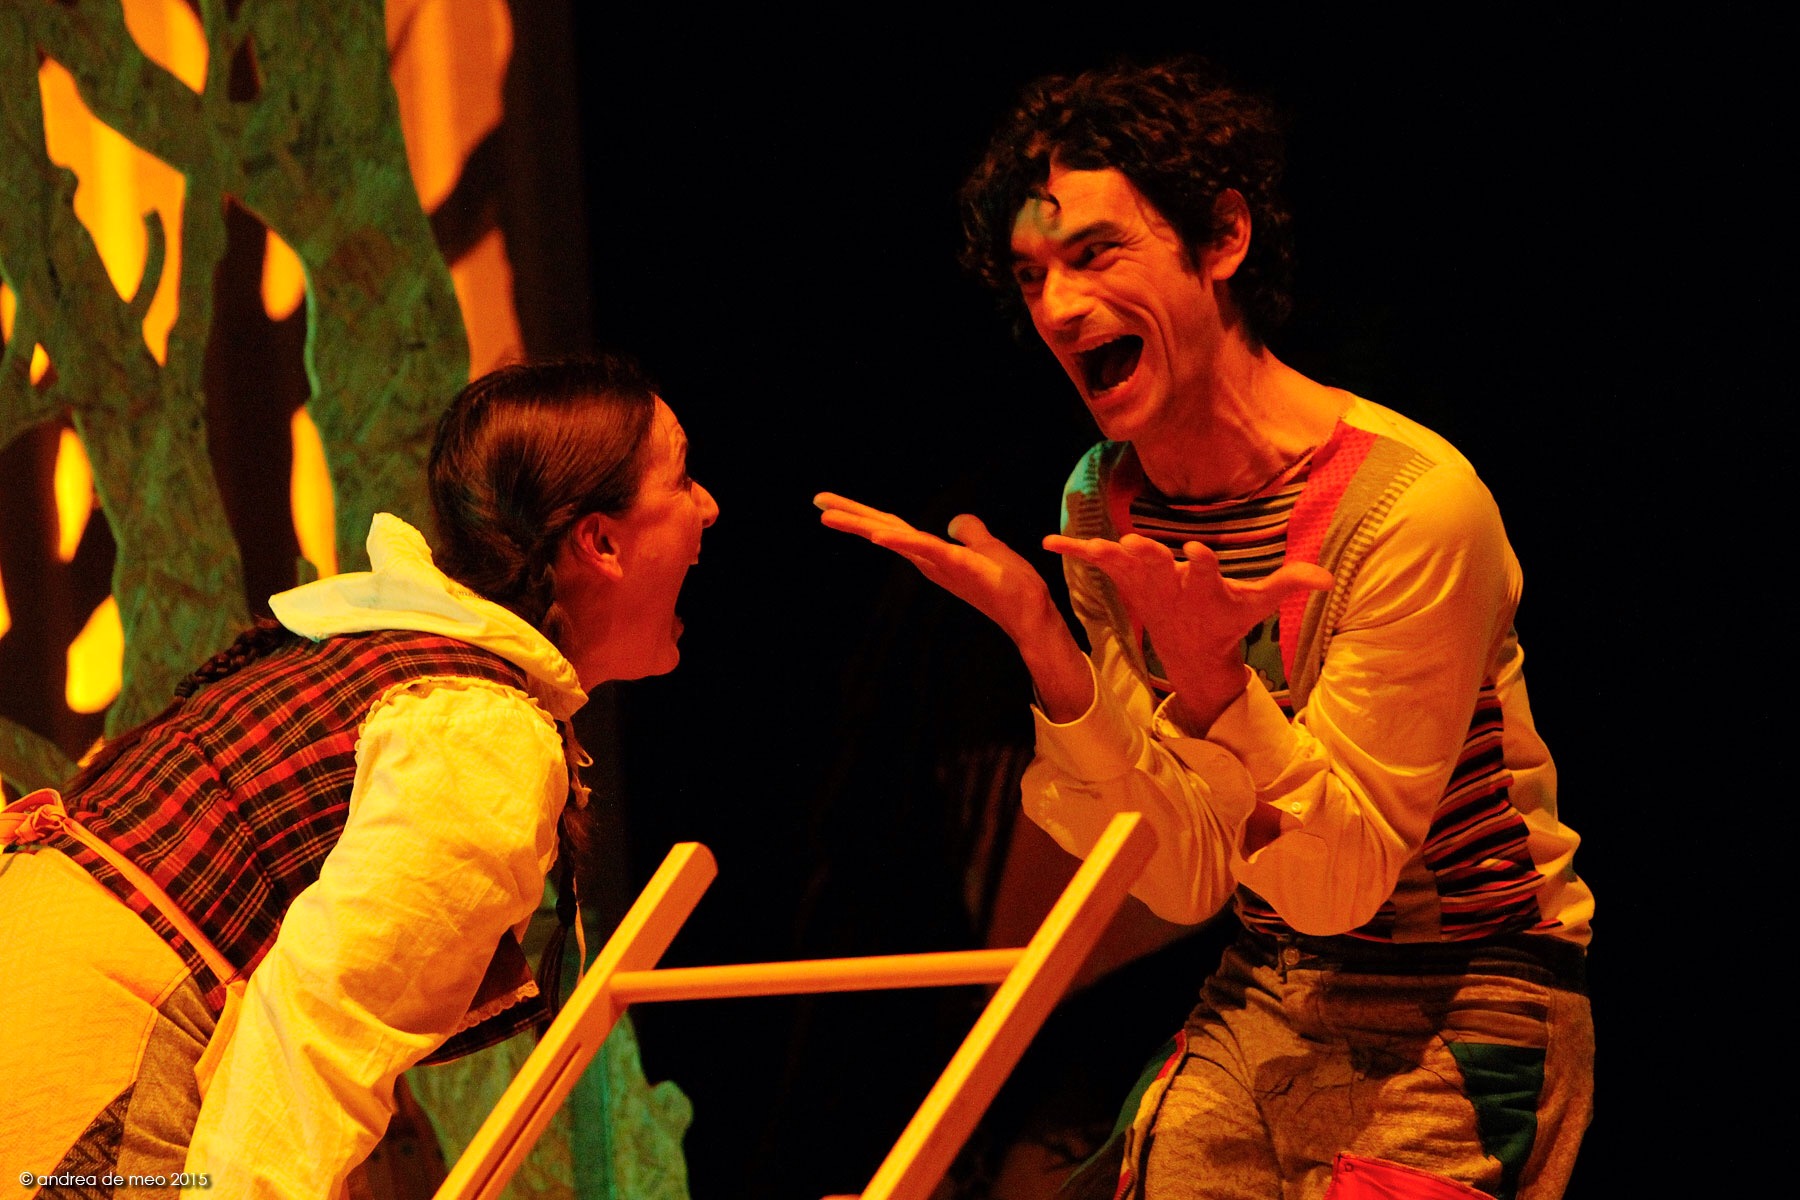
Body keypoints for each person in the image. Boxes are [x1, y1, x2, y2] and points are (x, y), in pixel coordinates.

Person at [817, 57, 1592, 1200]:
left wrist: (1215, 683)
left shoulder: (1411, 507)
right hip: (1270, 979)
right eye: (1032, 276)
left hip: (1465, 997)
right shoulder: (1104, 504)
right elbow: (1183, 879)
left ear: (1222, 238)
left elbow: (1343, 883)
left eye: (1096, 253)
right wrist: (1052, 657)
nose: (1058, 309)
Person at [0, 356, 718, 1196]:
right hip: (86, 1056)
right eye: (683, 477)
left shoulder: (400, 664)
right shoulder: (480, 734)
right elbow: (316, 1041)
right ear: (600, 542)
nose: (708, 507)